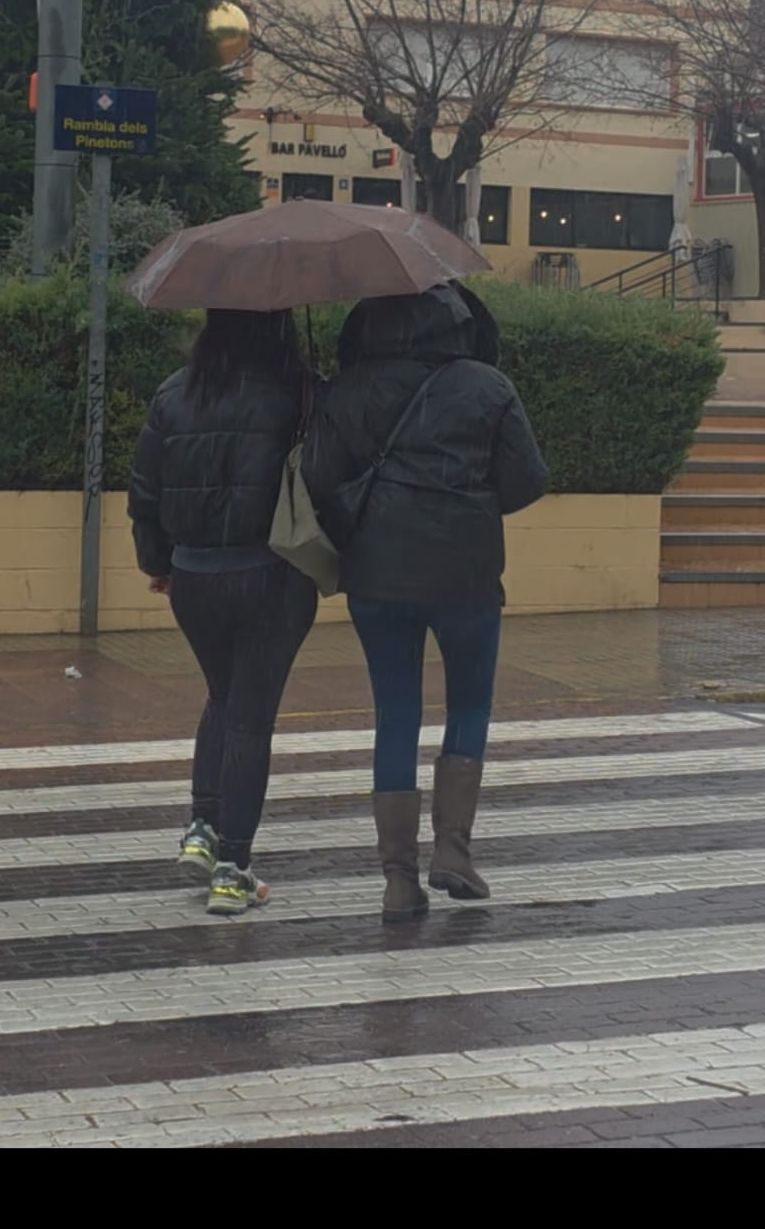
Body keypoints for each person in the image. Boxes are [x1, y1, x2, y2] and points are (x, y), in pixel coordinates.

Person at [303, 282, 547, 924]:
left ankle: (397, 879)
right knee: (468, 704)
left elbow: (318, 477)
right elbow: (528, 482)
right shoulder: (487, 386)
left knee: (396, 713)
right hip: (467, 572)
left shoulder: (348, 386)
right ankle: (454, 853)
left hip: (376, 575)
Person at [128, 308, 317, 916]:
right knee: (250, 718)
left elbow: (145, 492)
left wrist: (158, 560)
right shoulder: (294, 394)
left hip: (193, 577)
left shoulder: (174, 393)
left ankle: (201, 827)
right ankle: (234, 867)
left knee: (223, 695)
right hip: (270, 573)